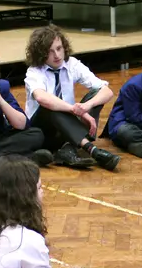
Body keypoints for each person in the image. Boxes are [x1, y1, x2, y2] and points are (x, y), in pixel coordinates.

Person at [23, 25, 120, 170]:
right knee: (51, 104)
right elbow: (42, 98)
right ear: (40, 54)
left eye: (59, 48)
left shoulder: (72, 64)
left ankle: (68, 149)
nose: (57, 55)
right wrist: (73, 109)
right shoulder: (34, 72)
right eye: (50, 52)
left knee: (95, 95)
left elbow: (107, 91)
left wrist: (86, 107)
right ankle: (91, 149)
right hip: (42, 130)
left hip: (67, 126)